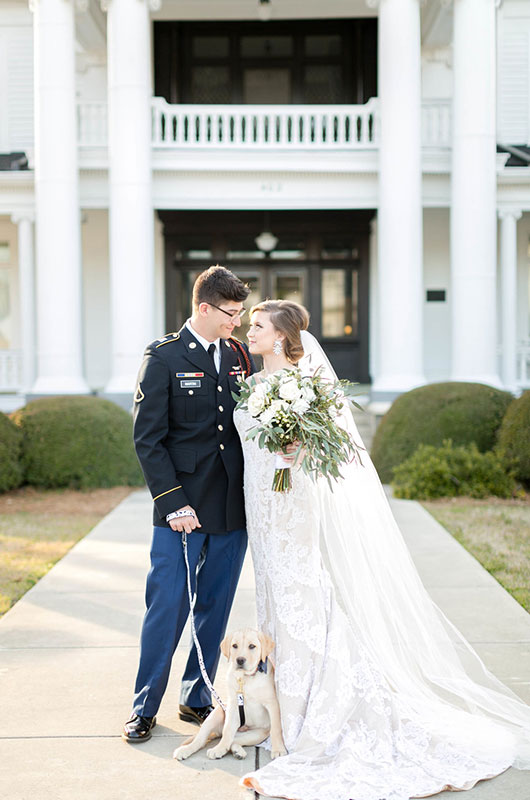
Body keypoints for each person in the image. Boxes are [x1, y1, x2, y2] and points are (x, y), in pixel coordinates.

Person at [234, 299, 530, 800]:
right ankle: (280, 707)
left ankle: (319, 709)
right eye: (250, 324)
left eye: (258, 325)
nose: (249, 330)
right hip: (259, 508)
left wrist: (296, 450)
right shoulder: (251, 383)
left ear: (283, 336)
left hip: (292, 505)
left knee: (301, 595)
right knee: (272, 597)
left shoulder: (303, 386)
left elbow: (328, 447)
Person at [122, 266, 255, 743]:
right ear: (204, 308)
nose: (237, 322)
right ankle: (144, 706)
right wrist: (173, 503)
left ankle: (196, 697)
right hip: (180, 510)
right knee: (168, 607)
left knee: (215, 607)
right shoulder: (163, 357)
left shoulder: (240, 355)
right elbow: (148, 439)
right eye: (230, 313)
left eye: (240, 313)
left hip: (230, 506)